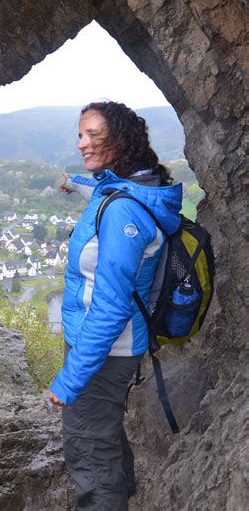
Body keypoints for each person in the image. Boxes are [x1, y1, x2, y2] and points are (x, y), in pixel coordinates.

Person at [49, 101, 182, 510]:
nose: (81, 143)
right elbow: (105, 189)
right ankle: (123, 491)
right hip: (112, 344)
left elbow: (109, 309)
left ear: (119, 141)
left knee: (88, 447)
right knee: (104, 430)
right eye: (80, 134)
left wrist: (70, 380)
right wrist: (74, 182)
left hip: (106, 347)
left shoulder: (123, 210)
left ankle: (108, 500)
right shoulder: (132, 187)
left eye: (91, 135)